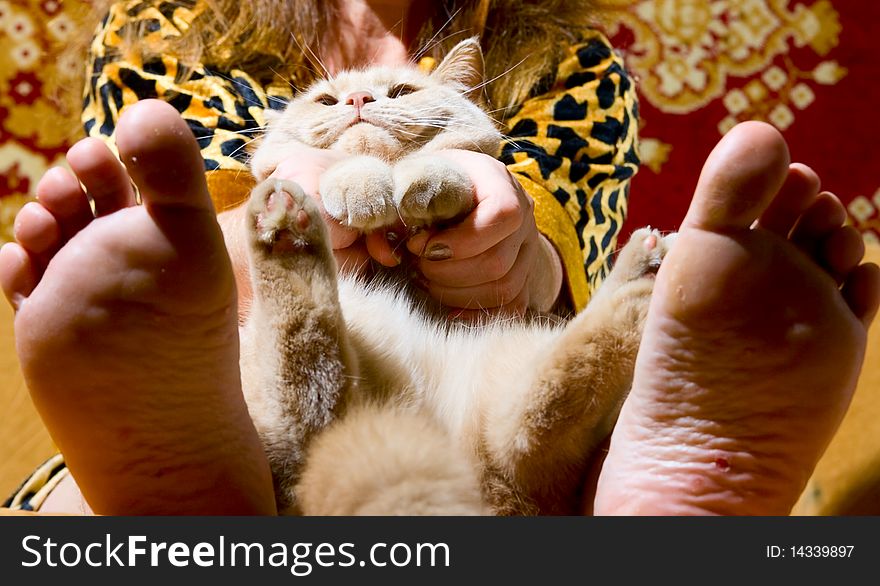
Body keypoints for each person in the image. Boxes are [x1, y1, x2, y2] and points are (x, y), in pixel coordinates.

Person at [1, 0, 878, 515]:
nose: (361, 106)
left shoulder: (574, 65)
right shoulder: (171, 20)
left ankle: (193, 505)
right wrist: (285, 200)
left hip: (477, 379)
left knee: (534, 373)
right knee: (239, 351)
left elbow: (549, 249)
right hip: (251, 362)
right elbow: (163, 172)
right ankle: (188, 453)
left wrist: (513, 242)